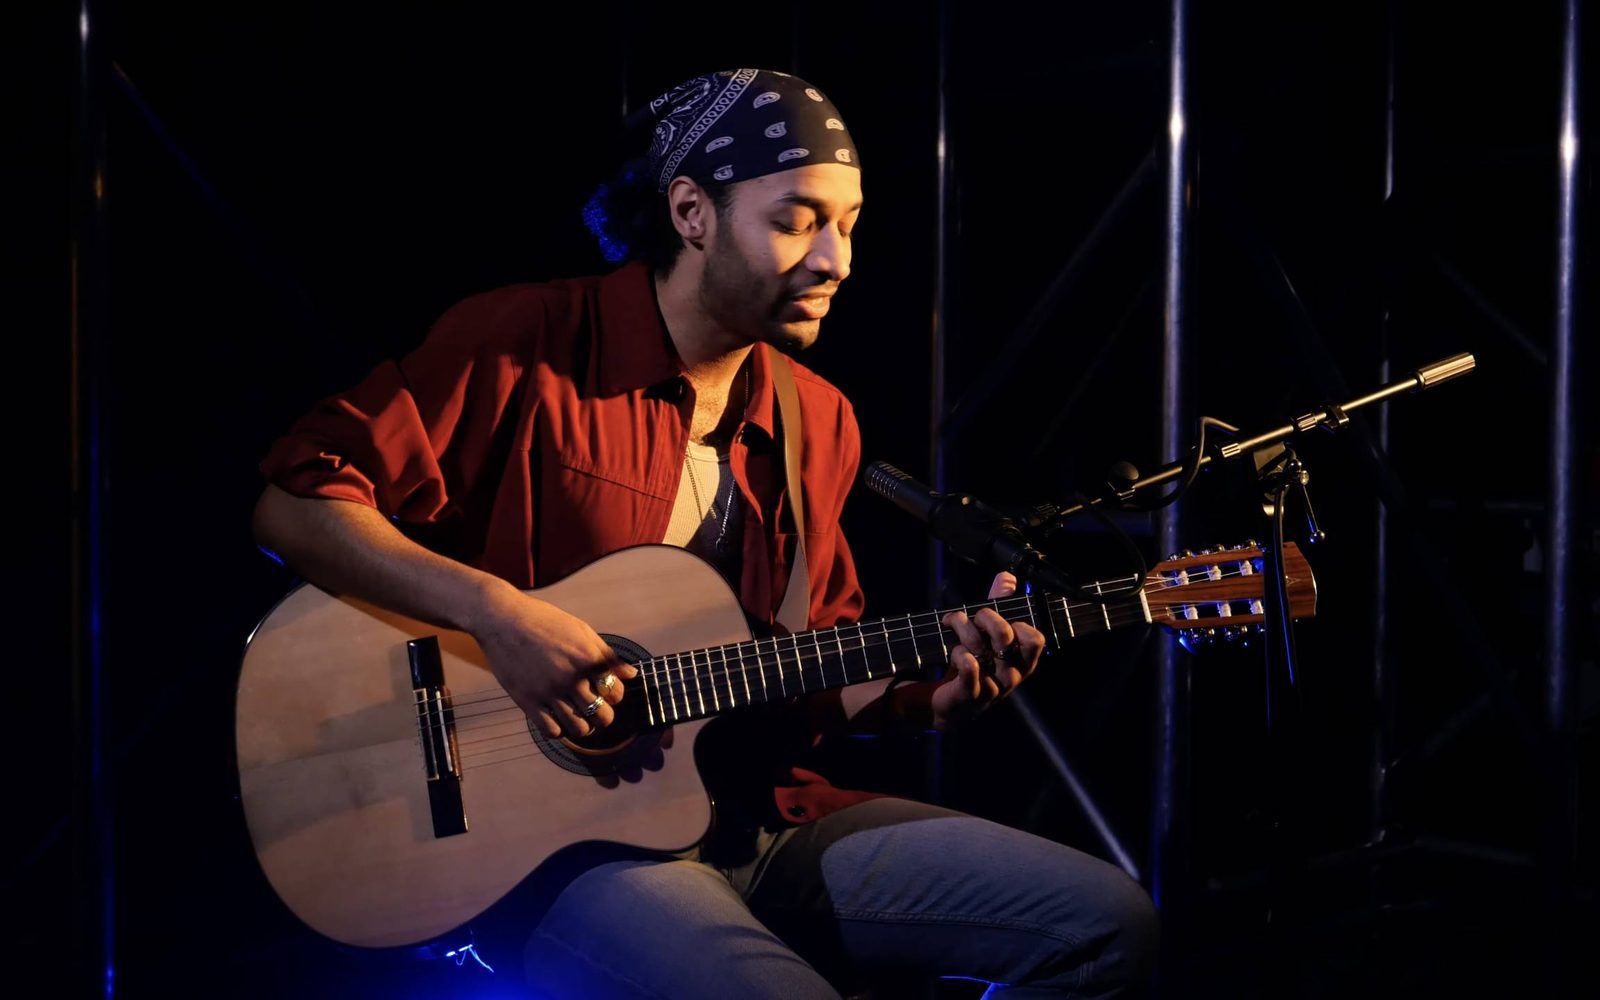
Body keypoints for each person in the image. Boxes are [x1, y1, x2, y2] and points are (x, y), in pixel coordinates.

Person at [252, 67, 1157, 998]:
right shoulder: (527, 342)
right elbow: (293, 506)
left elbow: (813, 667)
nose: (838, 259)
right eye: (799, 219)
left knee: (1106, 925)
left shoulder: (819, 419)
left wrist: (928, 699)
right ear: (690, 211)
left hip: (757, 816)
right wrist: (495, 615)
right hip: (553, 854)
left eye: (848, 223)